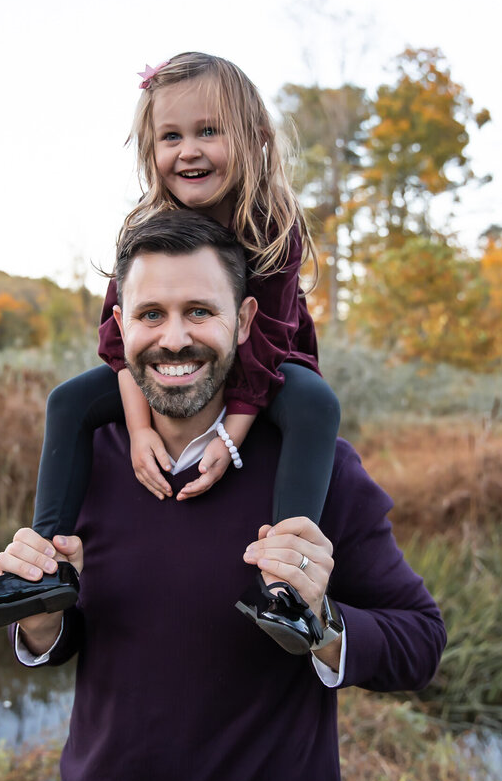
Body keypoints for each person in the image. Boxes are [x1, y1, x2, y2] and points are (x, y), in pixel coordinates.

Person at [0, 210, 446, 781]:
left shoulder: (317, 468)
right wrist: (39, 622)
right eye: (151, 315)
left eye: (200, 312)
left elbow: (421, 642)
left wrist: (324, 623)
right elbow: (66, 636)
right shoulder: (89, 456)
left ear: (243, 321)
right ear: (121, 324)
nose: (175, 338)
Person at [23, 52, 341, 640]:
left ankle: (285, 584)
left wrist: (229, 434)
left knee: (316, 404)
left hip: (263, 367)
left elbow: (267, 339)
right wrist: (139, 429)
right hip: (169, 368)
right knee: (68, 402)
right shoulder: (146, 227)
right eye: (171, 136)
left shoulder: (272, 221)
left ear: (253, 139)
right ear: (150, 151)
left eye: (208, 131)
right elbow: (120, 341)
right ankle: (43, 565)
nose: (188, 150)